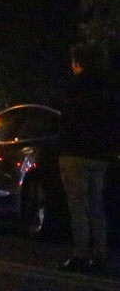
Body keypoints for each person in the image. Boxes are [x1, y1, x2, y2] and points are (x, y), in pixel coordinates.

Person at [57, 43, 119, 274]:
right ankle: (100, 254)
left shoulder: (75, 88)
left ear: (78, 63)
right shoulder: (107, 88)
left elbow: (67, 120)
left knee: (78, 206)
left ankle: (81, 253)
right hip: (99, 155)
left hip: (74, 152)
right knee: (96, 206)